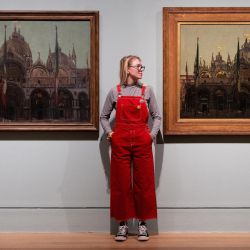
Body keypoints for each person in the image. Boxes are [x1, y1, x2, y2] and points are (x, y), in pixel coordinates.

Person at [100, 55, 161, 241]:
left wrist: (150, 136)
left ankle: (143, 225)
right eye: (138, 66)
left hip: (142, 141)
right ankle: (123, 225)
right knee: (121, 184)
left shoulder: (147, 91)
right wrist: (111, 134)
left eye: (142, 66)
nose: (141, 68)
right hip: (121, 142)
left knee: (144, 183)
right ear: (128, 69)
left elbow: (157, 116)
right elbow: (103, 116)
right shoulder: (115, 92)